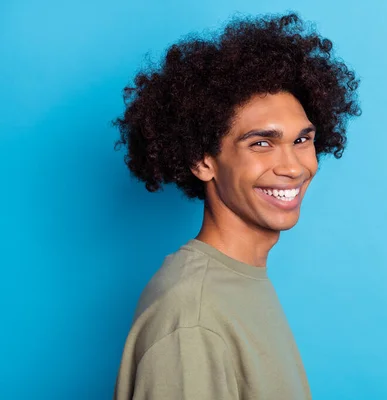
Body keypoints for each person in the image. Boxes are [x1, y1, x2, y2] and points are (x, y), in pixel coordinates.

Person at [112, 12, 360, 399]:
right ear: (203, 161)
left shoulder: (238, 280)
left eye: (302, 140)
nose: (294, 167)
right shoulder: (191, 318)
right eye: (261, 143)